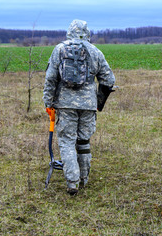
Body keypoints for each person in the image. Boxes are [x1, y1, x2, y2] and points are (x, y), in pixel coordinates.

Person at [43, 19, 115, 195]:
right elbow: (109, 80)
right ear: (87, 32)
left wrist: (48, 102)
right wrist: (98, 103)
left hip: (65, 105)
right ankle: (83, 179)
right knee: (83, 141)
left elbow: (50, 78)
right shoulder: (95, 51)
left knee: (66, 141)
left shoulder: (59, 49)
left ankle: (72, 182)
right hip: (88, 105)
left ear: (70, 31)